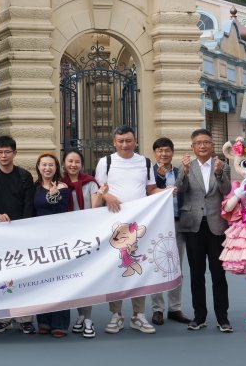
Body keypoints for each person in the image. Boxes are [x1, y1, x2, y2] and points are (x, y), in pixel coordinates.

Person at [94, 125, 159, 335]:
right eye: (120, 141)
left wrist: (166, 192)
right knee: (117, 269)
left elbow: (151, 190)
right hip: (113, 225)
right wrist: (106, 196)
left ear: (135, 141)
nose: (124, 145)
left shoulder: (145, 162)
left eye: (128, 140)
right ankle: (116, 314)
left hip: (140, 224)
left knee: (139, 268)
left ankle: (138, 315)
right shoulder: (106, 162)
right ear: (114, 142)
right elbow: (99, 190)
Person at [175, 128, 231, 332]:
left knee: (218, 274)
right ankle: (199, 316)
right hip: (193, 225)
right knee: (197, 273)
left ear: (212, 145)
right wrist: (185, 173)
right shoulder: (186, 165)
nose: (202, 145)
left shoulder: (222, 165)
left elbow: (226, 191)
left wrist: (218, 172)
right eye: (198, 142)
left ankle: (223, 318)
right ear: (193, 146)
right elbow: (178, 189)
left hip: (216, 225)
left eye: (206, 142)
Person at [0, 135, 35, 335]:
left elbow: (29, 205)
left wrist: (23, 229)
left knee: (24, 277)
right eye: (0, 152)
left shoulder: (24, 176)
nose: (3, 155)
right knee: (1, 277)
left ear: (15, 153)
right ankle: (3, 318)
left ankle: (26, 318)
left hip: (21, 234)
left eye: (7, 152)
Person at [149, 138, 190, 326]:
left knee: (176, 267)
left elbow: (187, 190)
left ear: (172, 152)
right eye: (159, 151)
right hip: (158, 225)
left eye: (167, 150)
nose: (163, 154)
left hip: (178, 222)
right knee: (157, 265)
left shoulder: (180, 171)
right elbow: (148, 193)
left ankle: (175, 308)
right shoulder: (150, 173)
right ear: (155, 153)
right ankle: (157, 309)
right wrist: (161, 179)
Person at [32, 153, 71, 336]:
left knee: (60, 282)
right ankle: (44, 320)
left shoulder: (62, 187)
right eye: (44, 165)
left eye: (51, 165)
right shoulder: (35, 187)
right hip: (38, 240)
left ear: (56, 168)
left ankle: (60, 323)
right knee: (41, 281)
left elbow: (61, 210)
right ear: (38, 167)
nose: (47, 168)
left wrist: (54, 196)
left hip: (58, 239)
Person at [61, 148, 99, 338]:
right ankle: (80, 316)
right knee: (72, 279)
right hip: (65, 238)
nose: (73, 165)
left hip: (85, 238)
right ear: (64, 164)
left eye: (77, 162)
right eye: (70, 161)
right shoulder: (58, 184)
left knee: (87, 278)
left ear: (82, 165)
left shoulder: (90, 184)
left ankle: (88, 318)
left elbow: (95, 210)